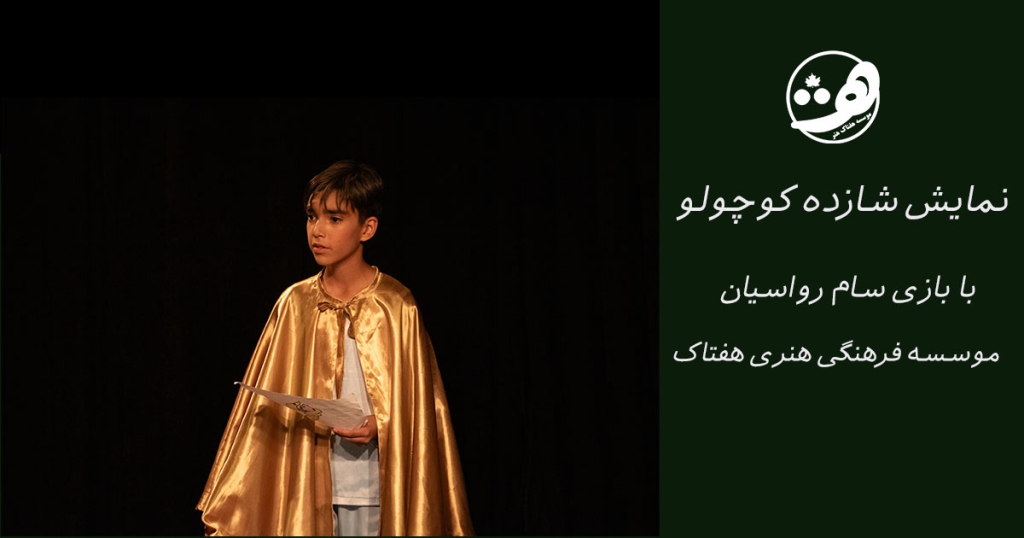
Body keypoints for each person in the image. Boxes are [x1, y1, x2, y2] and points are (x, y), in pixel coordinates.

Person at [196, 160, 474, 536]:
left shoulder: (396, 305)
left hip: (376, 485)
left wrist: (382, 423)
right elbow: (264, 404)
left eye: (335, 218)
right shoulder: (294, 303)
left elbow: (421, 409)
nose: (318, 230)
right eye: (312, 217)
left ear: (367, 228)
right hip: (305, 483)